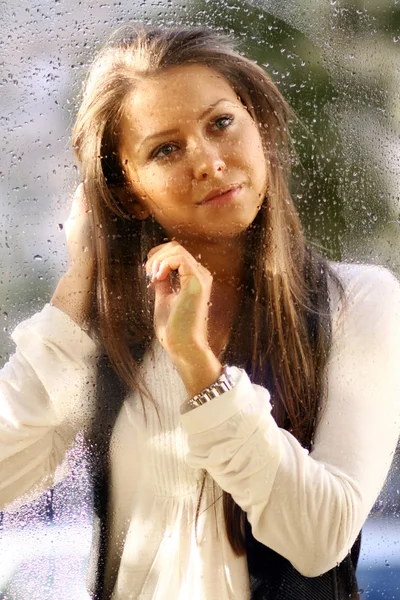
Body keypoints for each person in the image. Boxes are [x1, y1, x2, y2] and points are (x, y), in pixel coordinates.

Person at [0, 24, 400, 600]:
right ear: (129, 190)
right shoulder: (110, 332)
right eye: (166, 148)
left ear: (256, 126)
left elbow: (320, 537)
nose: (208, 162)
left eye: (220, 123)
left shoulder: (356, 302)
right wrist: (78, 279)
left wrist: (196, 365)